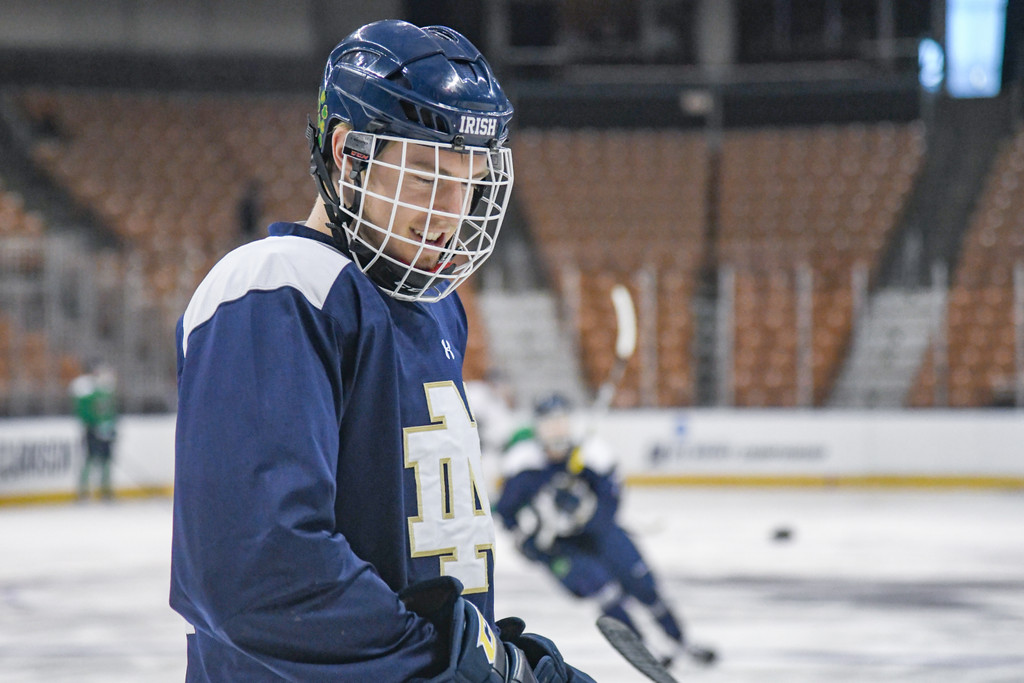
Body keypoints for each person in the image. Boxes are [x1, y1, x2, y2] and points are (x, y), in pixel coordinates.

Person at [170, 20, 594, 682]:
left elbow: (412, 567)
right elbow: (260, 575)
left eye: (471, 179)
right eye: (427, 176)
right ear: (348, 153)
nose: (453, 211)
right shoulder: (277, 287)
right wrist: (462, 668)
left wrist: (505, 662)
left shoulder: (435, 306)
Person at [496, 394, 717, 669]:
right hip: (560, 549)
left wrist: (582, 512)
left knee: (644, 586)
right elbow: (506, 513)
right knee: (604, 591)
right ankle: (644, 649)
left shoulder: (591, 455)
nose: (556, 430)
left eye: (561, 422)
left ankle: (681, 641)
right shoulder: (524, 464)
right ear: (538, 428)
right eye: (549, 424)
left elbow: (611, 503)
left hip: (599, 534)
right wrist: (535, 534)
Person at [69, 360, 118, 500]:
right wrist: (92, 425)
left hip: (105, 432)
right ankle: (83, 490)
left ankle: (105, 489)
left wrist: (111, 427)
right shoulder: (88, 393)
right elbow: (83, 412)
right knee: (89, 459)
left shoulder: (107, 393)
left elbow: (111, 413)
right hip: (92, 431)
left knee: (106, 461)